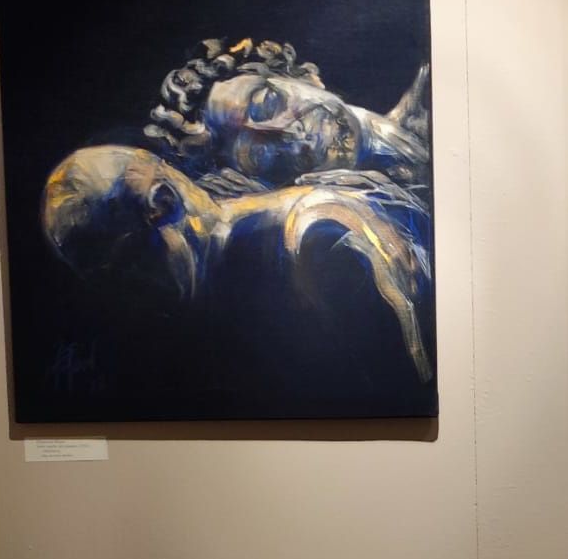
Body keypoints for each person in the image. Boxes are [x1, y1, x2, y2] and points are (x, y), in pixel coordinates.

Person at [41, 144, 434, 382]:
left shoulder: (314, 243)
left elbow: (405, 388)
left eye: (128, 262)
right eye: (106, 279)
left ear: (164, 202)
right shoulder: (213, 313)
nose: (128, 291)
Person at [143, 37, 430, 188]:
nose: (285, 132)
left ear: (301, 76)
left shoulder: (433, 88)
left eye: (267, 102)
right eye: (259, 154)